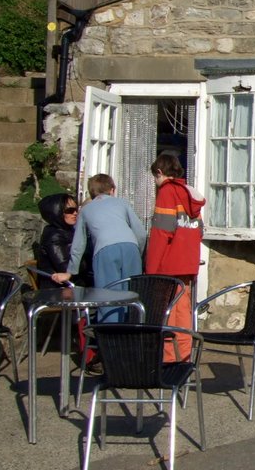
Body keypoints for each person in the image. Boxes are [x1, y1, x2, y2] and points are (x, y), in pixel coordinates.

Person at [52, 174, 146, 323]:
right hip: (130, 247)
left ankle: (110, 338)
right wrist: (138, 254)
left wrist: (70, 272)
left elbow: (78, 244)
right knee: (133, 294)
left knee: (108, 297)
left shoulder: (87, 210)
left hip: (104, 250)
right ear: (112, 190)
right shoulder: (122, 203)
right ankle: (133, 335)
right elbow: (141, 233)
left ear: (91, 193)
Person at [145, 153, 205, 362]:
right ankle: (184, 354)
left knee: (168, 313)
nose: (155, 182)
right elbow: (199, 230)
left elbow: (162, 233)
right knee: (183, 313)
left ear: (160, 172)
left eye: (155, 177)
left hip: (168, 264)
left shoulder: (167, 192)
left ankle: (169, 358)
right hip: (187, 262)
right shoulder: (190, 194)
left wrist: (151, 269)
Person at [36, 193, 91, 288]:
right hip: (59, 290)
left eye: (76, 209)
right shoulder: (54, 236)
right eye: (70, 210)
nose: (75, 213)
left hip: (74, 284)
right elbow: (65, 267)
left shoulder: (68, 230)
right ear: (57, 212)